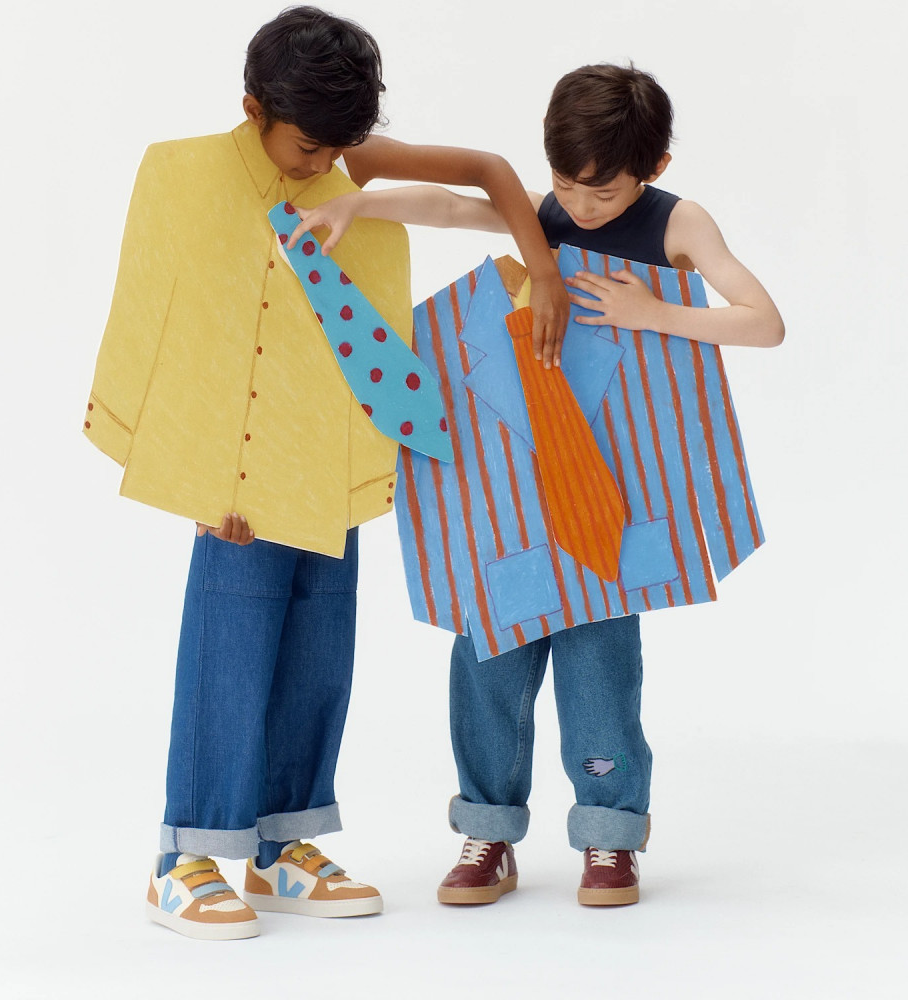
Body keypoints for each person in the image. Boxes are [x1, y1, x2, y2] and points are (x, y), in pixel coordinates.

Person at [83, 5, 569, 940]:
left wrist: (541, 268)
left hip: (330, 456)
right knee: (229, 651)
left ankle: (285, 844)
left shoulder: (350, 164)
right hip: (230, 476)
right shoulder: (182, 174)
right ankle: (185, 856)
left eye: (337, 147)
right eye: (308, 146)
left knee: (319, 651)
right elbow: (153, 326)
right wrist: (192, 479)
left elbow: (487, 171)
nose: (322, 164)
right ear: (254, 107)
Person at [288, 62, 784, 907]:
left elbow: (764, 323)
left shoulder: (678, 222)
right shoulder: (546, 213)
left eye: (603, 191)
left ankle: (610, 839)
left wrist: (652, 312)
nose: (580, 205)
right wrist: (358, 205)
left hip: (613, 490)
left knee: (600, 672)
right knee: (490, 655)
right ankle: (487, 830)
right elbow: (454, 208)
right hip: (511, 488)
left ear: (654, 168)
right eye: (565, 184)